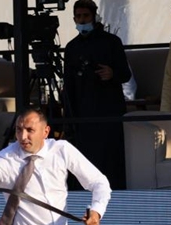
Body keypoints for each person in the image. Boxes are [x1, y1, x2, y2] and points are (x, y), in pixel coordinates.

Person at [63, 0, 131, 190]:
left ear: (94, 16)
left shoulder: (111, 42)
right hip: (83, 115)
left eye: (85, 16)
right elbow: (68, 85)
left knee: (110, 159)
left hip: (109, 112)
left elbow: (125, 74)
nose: (82, 20)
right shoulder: (72, 47)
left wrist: (112, 74)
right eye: (78, 16)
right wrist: (69, 118)